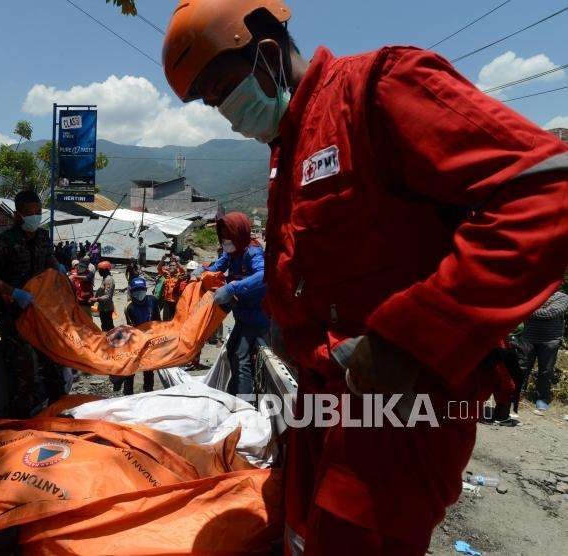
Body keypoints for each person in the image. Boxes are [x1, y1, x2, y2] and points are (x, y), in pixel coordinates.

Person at [162, 1, 568, 553]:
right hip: (319, 406)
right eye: (212, 105)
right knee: (299, 538)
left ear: (266, 55)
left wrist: (411, 338)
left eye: (222, 91)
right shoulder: (289, 146)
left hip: (398, 413)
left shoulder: (380, 88)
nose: (226, 114)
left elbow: (547, 191)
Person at [0, 189, 66, 417]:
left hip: (37, 310)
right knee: (25, 366)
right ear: (18, 215)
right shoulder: (4, 241)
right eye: (30, 213)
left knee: (54, 358)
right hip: (11, 312)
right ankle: (21, 419)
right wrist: (12, 292)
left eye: (38, 212)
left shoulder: (43, 237)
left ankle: (58, 410)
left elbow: (48, 258)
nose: (35, 217)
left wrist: (58, 267)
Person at [193, 213, 268, 396]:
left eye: (229, 235)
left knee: (241, 358)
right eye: (223, 235)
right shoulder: (231, 254)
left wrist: (234, 287)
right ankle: (233, 392)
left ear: (240, 233)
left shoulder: (253, 252)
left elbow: (263, 276)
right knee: (231, 351)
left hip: (258, 317)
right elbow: (217, 266)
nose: (226, 240)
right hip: (242, 315)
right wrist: (203, 271)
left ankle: (245, 402)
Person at [519, 289, 568, 414]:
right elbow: (521, 307)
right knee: (522, 367)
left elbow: (550, 313)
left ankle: (542, 399)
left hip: (550, 340)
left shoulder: (562, 297)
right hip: (529, 337)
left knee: (546, 370)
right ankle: (517, 395)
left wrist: (530, 309)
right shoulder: (533, 293)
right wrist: (528, 308)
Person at [118, 276, 160, 394]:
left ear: (146, 290)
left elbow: (157, 320)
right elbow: (130, 327)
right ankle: (128, 392)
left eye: (141, 290)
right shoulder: (129, 307)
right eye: (136, 291)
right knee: (131, 367)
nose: (139, 293)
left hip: (150, 340)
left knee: (149, 368)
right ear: (132, 292)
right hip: (135, 341)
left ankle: (148, 391)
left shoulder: (152, 300)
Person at [157, 254, 184, 321]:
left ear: (177, 267)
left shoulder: (179, 275)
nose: (171, 267)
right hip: (167, 302)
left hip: (176, 302)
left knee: (174, 320)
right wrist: (162, 260)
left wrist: (177, 261)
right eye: (170, 265)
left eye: (173, 265)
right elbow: (159, 268)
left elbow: (183, 270)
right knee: (165, 320)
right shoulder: (166, 274)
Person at [92, 260, 116, 331]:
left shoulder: (108, 280)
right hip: (103, 307)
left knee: (108, 327)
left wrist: (96, 299)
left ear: (105, 270)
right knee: (104, 326)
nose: (99, 272)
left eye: (100, 270)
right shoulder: (105, 279)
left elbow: (107, 296)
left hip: (107, 308)